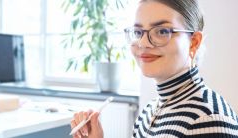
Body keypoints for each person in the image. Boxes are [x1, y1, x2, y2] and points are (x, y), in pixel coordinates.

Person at [70, 0, 238, 137]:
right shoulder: (150, 110)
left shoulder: (209, 119)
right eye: (138, 32)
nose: (143, 43)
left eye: (162, 31)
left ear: (193, 42)